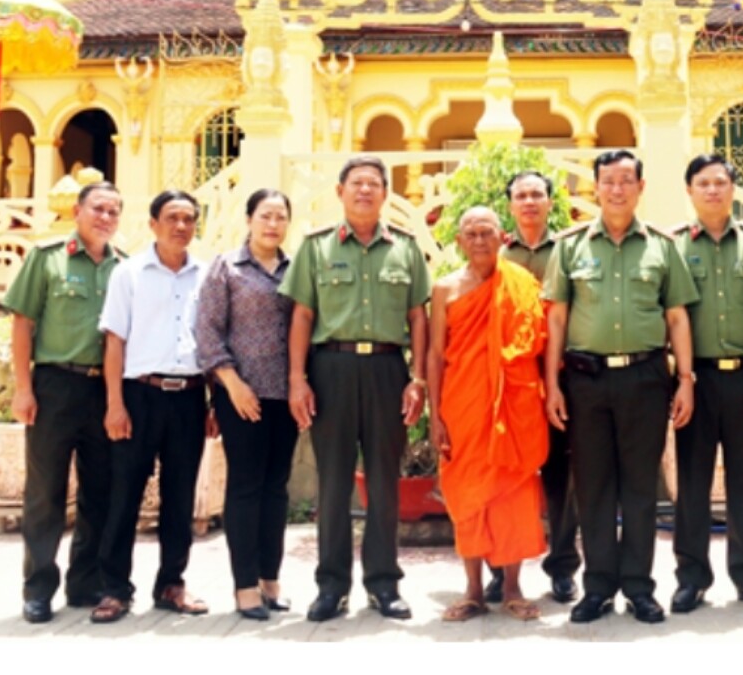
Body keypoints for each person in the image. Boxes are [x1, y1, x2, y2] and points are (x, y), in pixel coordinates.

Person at [544, 149, 698, 625]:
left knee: (638, 487)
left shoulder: (661, 246)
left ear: (640, 188)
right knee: (593, 487)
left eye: (626, 180)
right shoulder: (570, 246)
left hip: (646, 376)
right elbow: (557, 318)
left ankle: (638, 588)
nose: (616, 189)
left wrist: (686, 379)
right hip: (586, 381)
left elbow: (676, 315)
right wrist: (551, 383)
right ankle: (597, 588)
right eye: (608, 181)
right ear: (595, 187)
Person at [282, 155, 431, 622]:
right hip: (332, 370)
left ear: (385, 193)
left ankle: (383, 583)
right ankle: (332, 586)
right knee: (333, 483)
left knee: (386, 480)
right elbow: (302, 315)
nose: (364, 191)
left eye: (373, 184)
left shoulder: (405, 249)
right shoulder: (315, 248)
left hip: (389, 370)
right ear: (340, 192)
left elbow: (418, 318)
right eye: (356, 183)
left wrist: (419, 378)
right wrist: (297, 379)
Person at [669, 154, 743, 614]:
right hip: (694, 379)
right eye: (703, 183)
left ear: (733, 189)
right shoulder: (674, 246)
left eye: (720, 182)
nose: (713, 190)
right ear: (690, 190)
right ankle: (691, 577)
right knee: (692, 482)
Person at [4, 181, 126, 624]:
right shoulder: (47, 257)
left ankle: (84, 583)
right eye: (98, 208)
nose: (106, 218)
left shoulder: (123, 268)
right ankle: (38, 589)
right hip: (55, 386)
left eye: (114, 211)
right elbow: (22, 323)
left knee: (100, 491)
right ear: (77, 210)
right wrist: (22, 387)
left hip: (104, 391)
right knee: (45, 492)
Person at [92, 190, 210, 624]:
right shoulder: (130, 273)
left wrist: (212, 399)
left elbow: (212, 341)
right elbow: (114, 341)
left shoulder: (206, 274)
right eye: (172, 218)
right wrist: (115, 404)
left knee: (181, 498)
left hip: (191, 397)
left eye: (189, 218)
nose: (181, 226)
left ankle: (171, 584)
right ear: (153, 224)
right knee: (124, 494)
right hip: (139, 396)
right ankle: (114, 589)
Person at [428, 206, 549, 622]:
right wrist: (435, 414)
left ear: (502, 238)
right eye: (471, 233)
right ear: (459, 241)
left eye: (487, 232)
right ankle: (474, 591)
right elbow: (436, 354)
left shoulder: (520, 284)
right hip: (462, 404)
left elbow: (538, 343)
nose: (479, 240)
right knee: (467, 496)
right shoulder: (445, 289)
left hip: (514, 405)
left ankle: (513, 589)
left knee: (514, 491)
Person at [196, 188, 301, 620]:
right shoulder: (226, 267)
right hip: (240, 396)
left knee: (276, 489)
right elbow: (207, 330)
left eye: (280, 216)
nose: (272, 224)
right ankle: (244, 587)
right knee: (245, 487)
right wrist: (231, 383)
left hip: (285, 396)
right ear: (249, 219)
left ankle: (270, 580)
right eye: (265, 215)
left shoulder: (297, 270)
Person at [494, 169, 580, 605]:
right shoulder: (495, 253)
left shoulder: (570, 250)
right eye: (521, 196)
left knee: (562, 478)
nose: (529, 202)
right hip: (509, 382)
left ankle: (563, 567)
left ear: (551, 202)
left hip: (561, 379)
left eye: (537, 195)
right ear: (510, 205)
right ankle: (500, 569)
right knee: (506, 475)